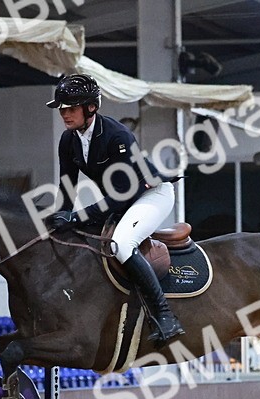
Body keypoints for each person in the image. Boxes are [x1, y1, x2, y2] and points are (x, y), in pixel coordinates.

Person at [44, 73, 184, 346]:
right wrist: (60, 220)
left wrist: (78, 216)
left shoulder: (117, 136)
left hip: (151, 194)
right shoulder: (68, 140)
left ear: (91, 108)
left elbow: (125, 193)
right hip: (122, 198)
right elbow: (66, 189)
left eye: (71, 109)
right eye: (62, 109)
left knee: (121, 242)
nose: (65, 115)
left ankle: (165, 316)